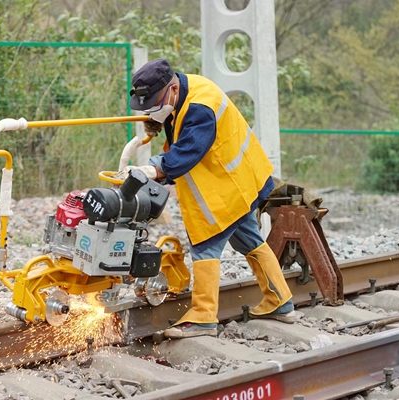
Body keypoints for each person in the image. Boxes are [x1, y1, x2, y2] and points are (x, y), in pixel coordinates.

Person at [119, 58, 295, 339]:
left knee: (205, 246)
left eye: (155, 103)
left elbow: (187, 150)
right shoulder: (187, 91)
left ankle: (203, 317)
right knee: (249, 238)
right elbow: (179, 125)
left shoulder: (202, 107)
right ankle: (280, 301)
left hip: (227, 185)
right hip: (242, 180)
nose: (153, 109)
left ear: (172, 88)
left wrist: (153, 169)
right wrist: (159, 121)